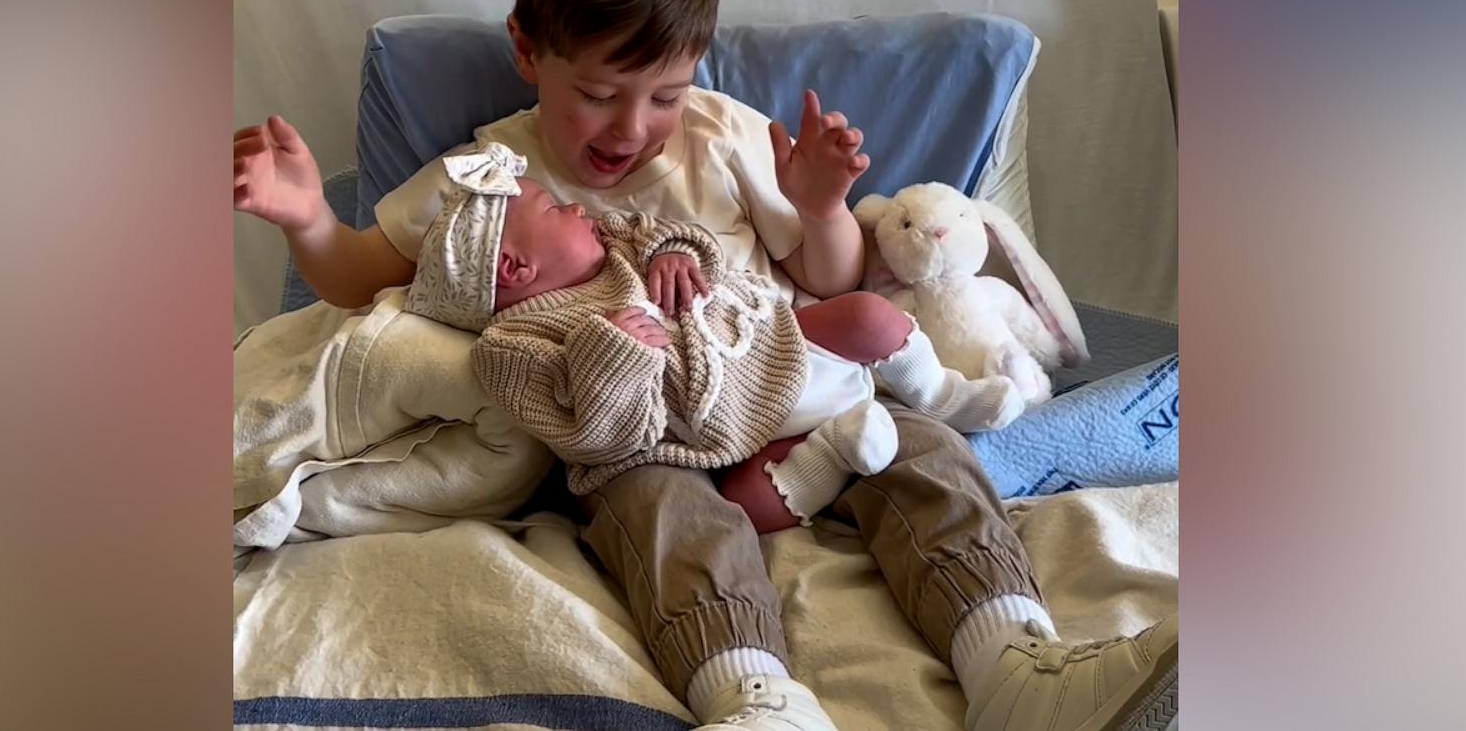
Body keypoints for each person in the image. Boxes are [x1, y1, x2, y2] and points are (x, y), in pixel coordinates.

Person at [233, 0, 1177, 731]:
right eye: (600, 93)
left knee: (924, 451)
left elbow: (829, 282)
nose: (633, 127)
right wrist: (307, 217)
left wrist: (819, 208)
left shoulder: (723, 135)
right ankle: (755, 694)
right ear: (528, 50)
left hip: (788, 389)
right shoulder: (490, 175)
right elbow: (367, 277)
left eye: (665, 93)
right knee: (658, 514)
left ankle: (1015, 662)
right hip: (649, 435)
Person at [404, 143, 1024, 536]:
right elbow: (588, 436)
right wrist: (613, 355)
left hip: (780, 342)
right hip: (728, 433)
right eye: (553, 210)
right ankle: (836, 449)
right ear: (516, 268)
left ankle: (942, 392)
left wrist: (673, 251)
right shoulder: (513, 345)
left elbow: (671, 230)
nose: (578, 211)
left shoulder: (619, 243)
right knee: (749, 507)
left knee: (866, 316)